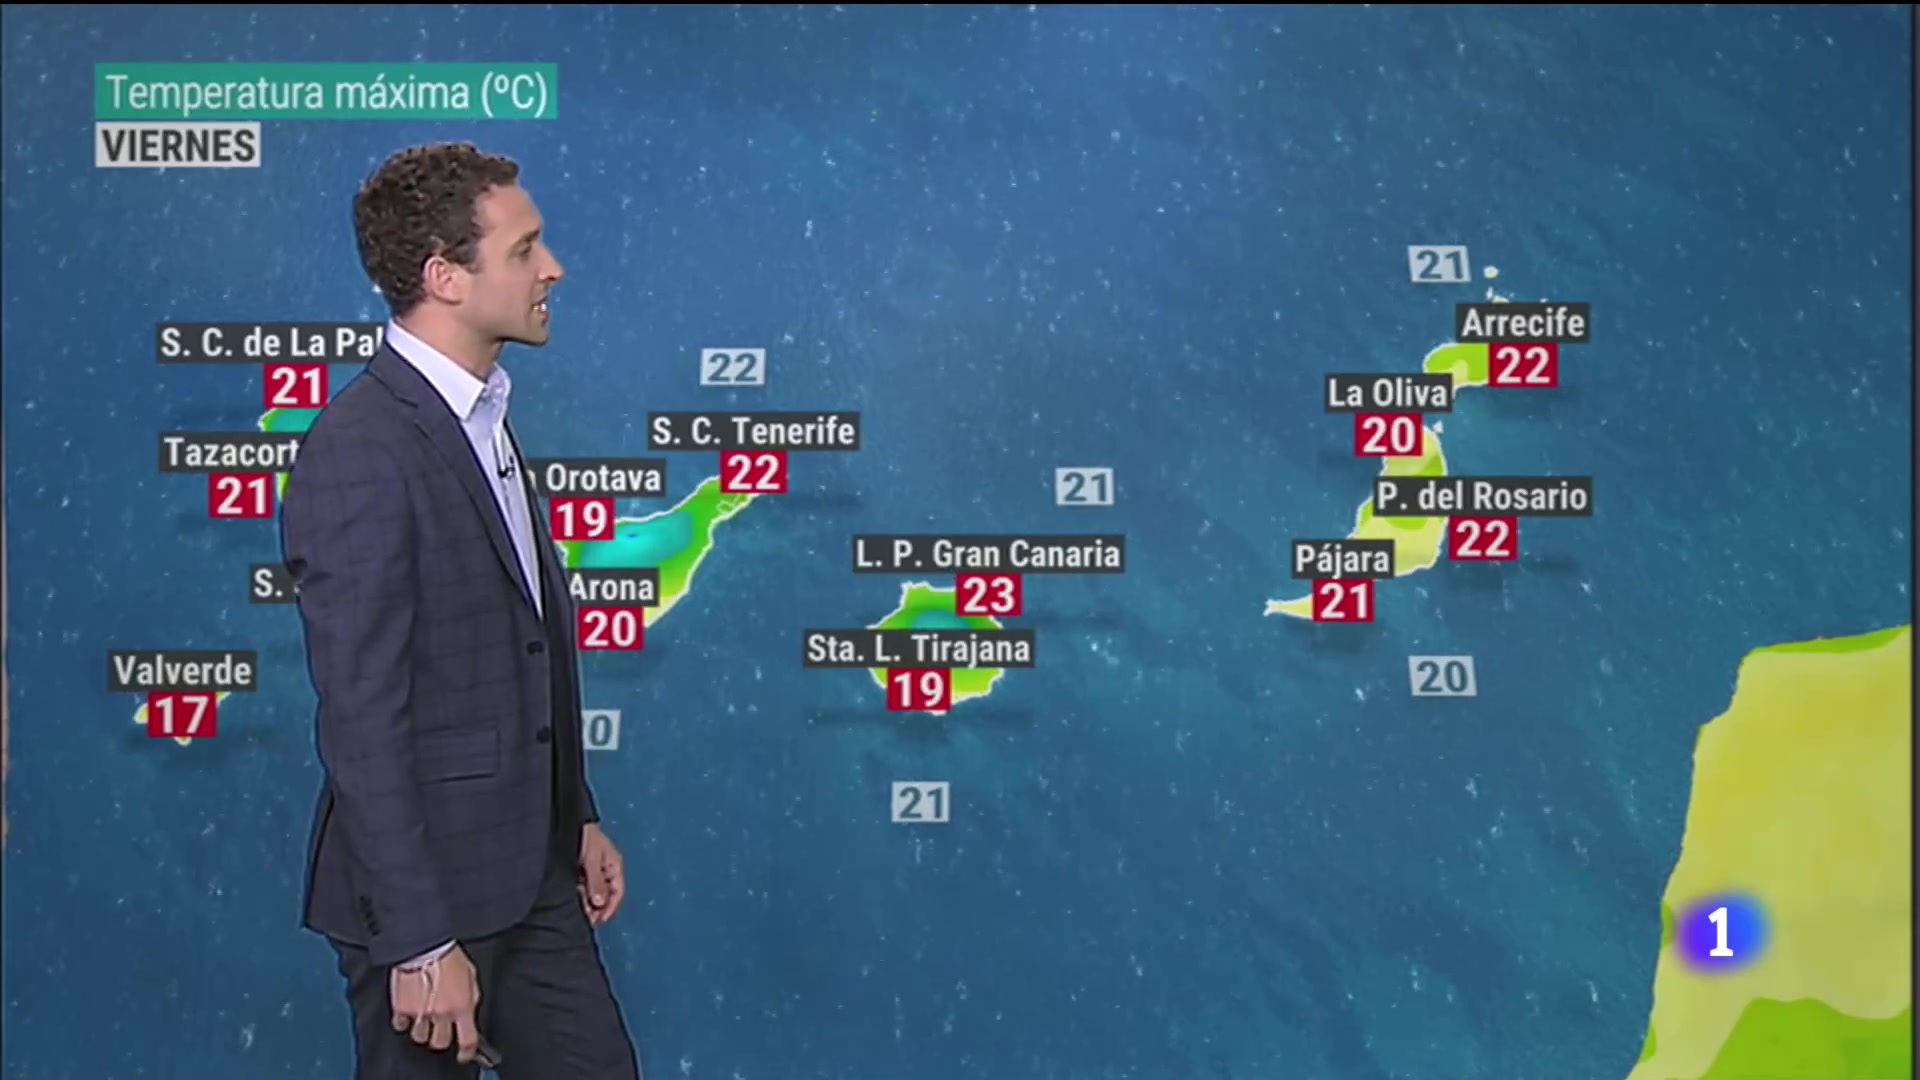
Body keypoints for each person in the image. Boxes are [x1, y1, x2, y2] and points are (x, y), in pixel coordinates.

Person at [280, 141, 642, 1079]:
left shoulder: (482, 418)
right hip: (428, 903)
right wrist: (416, 941)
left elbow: (511, 649)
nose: (552, 268)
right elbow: (363, 715)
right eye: (524, 250)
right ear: (445, 277)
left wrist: (574, 814)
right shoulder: (364, 448)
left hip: (530, 875)